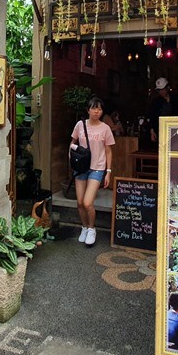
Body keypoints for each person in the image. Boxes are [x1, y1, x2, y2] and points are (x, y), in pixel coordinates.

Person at [70, 97, 115, 246]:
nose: (97, 111)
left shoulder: (105, 128)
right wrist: (72, 160)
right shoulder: (80, 125)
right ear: (88, 110)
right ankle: (84, 227)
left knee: (88, 203)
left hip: (97, 168)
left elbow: (108, 150)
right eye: (94, 108)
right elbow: (73, 143)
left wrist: (108, 171)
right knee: (79, 203)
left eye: (100, 109)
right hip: (81, 168)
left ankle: (91, 228)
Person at [149, 78, 178, 144]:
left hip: (177, 130)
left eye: (163, 89)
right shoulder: (156, 102)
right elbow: (152, 116)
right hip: (161, 131)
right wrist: (152, 131)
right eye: (159, 90)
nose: (161, 92)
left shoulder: (177, 99)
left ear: (168, 88)